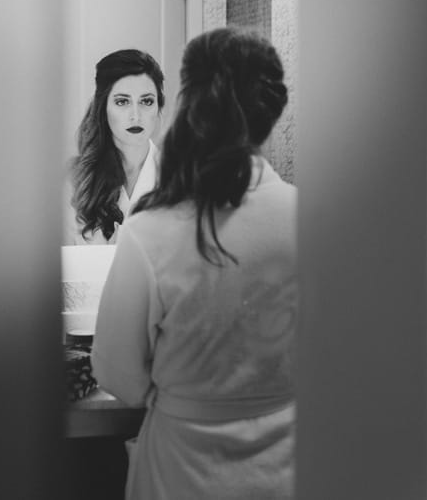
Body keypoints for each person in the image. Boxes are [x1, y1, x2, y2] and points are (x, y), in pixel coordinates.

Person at [91, 27, 297, 499]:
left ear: (186, 106)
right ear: (271, 112)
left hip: (185, 469)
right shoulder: (315, 220)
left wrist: (183, 392)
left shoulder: (150, 231)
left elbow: (117, 373)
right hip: (290, 467)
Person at [66, 49, 166, 245]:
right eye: (122, 102)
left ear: (158, 106)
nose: (135, 115)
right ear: (103, 108)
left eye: (146, 101)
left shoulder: (181, 176)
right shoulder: (75, 179)